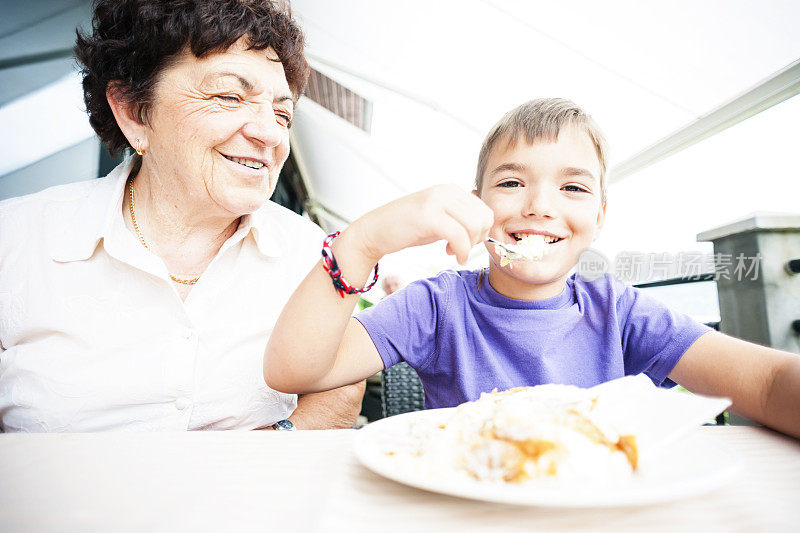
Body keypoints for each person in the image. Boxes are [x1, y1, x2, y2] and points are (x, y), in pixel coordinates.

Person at [265, 98, 800, 439]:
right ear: (476, 206)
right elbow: (295, 371)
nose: (540, 206)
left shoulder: (622, 311)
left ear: (600, 214)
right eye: (512, 182)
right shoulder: (435, 307)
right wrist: (362, 242)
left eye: (572, 187)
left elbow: (771, 380)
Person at [0, 0, 364, 432]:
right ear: (134, 111)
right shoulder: (16, 239)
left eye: (282, 113)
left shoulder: (311, 254)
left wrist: (268, 453)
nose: (270, 134)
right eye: (229, 96)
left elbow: (338, 385)